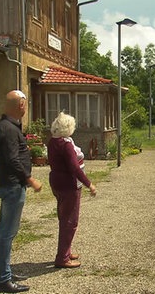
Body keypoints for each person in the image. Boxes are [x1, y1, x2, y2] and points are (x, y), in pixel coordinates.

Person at [0, 90, 42, 293]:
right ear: (21, 105)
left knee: (7, 232)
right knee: (6, 233)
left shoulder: (1, 126)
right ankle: (3, 279)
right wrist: (29, 179)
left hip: (7, 184)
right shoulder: (9, 129)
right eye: (25, 105)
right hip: (12, 186)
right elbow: (11, 159)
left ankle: (5, 271)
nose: (26, 108)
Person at [47, 112, 96, 268]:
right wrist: (89, 184)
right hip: (69, 185)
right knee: (70, 221)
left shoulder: (53, 142)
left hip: (56, 182)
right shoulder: (66, 145)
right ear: (68, 127)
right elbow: (75, 168)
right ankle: (62, 258)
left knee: (64, 218)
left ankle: (65, 251)